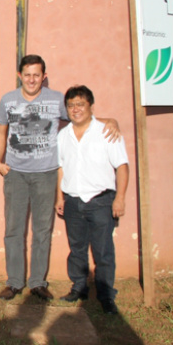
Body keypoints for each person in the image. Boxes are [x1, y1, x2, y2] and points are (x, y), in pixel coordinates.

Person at [0, 54, 119, 301]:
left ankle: (38, 283)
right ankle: (15, 282)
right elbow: (0, 132)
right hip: (16, 175)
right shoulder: (8, 100)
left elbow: (80, 118)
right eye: (27, 75)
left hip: (47, 174)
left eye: (36, 75)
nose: (31, 80)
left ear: (44, 76)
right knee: (14, 230)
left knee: (42, 230)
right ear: (20, 76)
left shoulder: (56, 99)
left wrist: (109, 121)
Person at [55, 85, 128, 315]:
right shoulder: (62, 135)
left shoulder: (107, 131)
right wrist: (60, 197)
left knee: (103, 250)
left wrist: (120, 198)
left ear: (90, 106)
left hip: (100, 201)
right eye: (71, 105)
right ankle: (79, 288)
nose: (75, 109)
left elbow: (122, 167)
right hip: (73, 201)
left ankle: (106, 295)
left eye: (80, 104)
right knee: (76, 249)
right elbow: (60, 168)